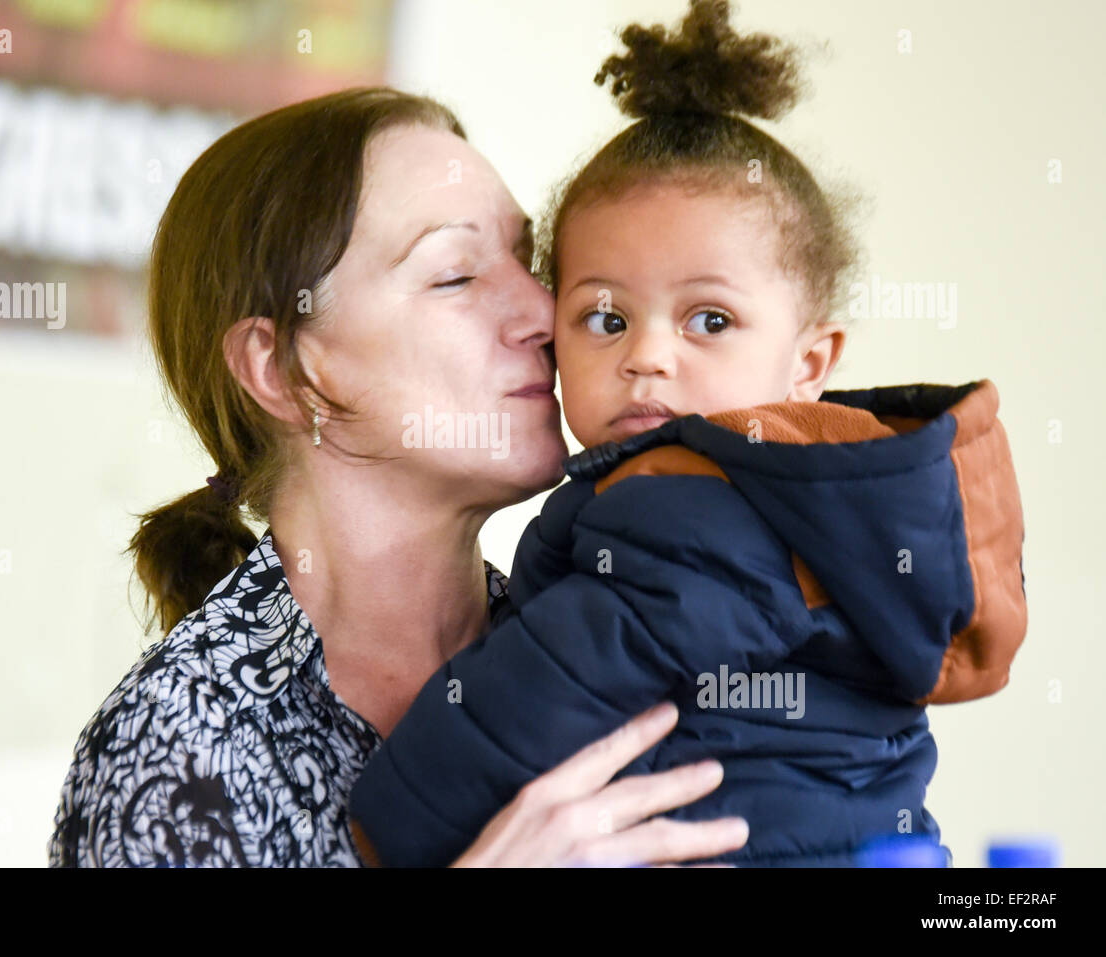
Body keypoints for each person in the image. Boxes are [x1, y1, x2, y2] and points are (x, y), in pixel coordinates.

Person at [348, 1, 1028, 867]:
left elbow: (564, 675)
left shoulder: (693, 495)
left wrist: (393, 821)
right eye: (604, 316)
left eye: (709, 318)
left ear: (808, 361)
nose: (648, 356)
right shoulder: (823, 490)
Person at [46, 84, 750, 867]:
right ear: (284, 370)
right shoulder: (177, 750)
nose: (545, 312)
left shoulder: (608, 631)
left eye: (527, 259)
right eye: (455, 275)